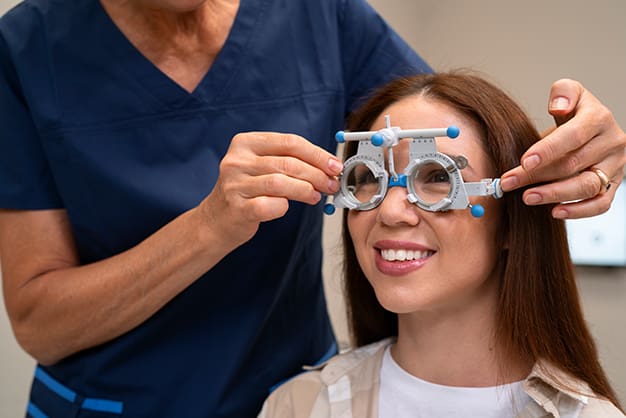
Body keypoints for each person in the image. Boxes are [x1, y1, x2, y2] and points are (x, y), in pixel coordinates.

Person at [0, 0, 623, 416]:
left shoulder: (316, 14)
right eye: (368, 182)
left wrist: (568, 156)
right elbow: (37, 320)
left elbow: (461, 136)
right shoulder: (28, 51)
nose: (396, 210)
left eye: (430, 183)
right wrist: (210, 227)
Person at [258, 71, 625, 418]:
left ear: (513, 221)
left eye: (437, 177)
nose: (390, 211)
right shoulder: (298, 406)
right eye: (368, 178)